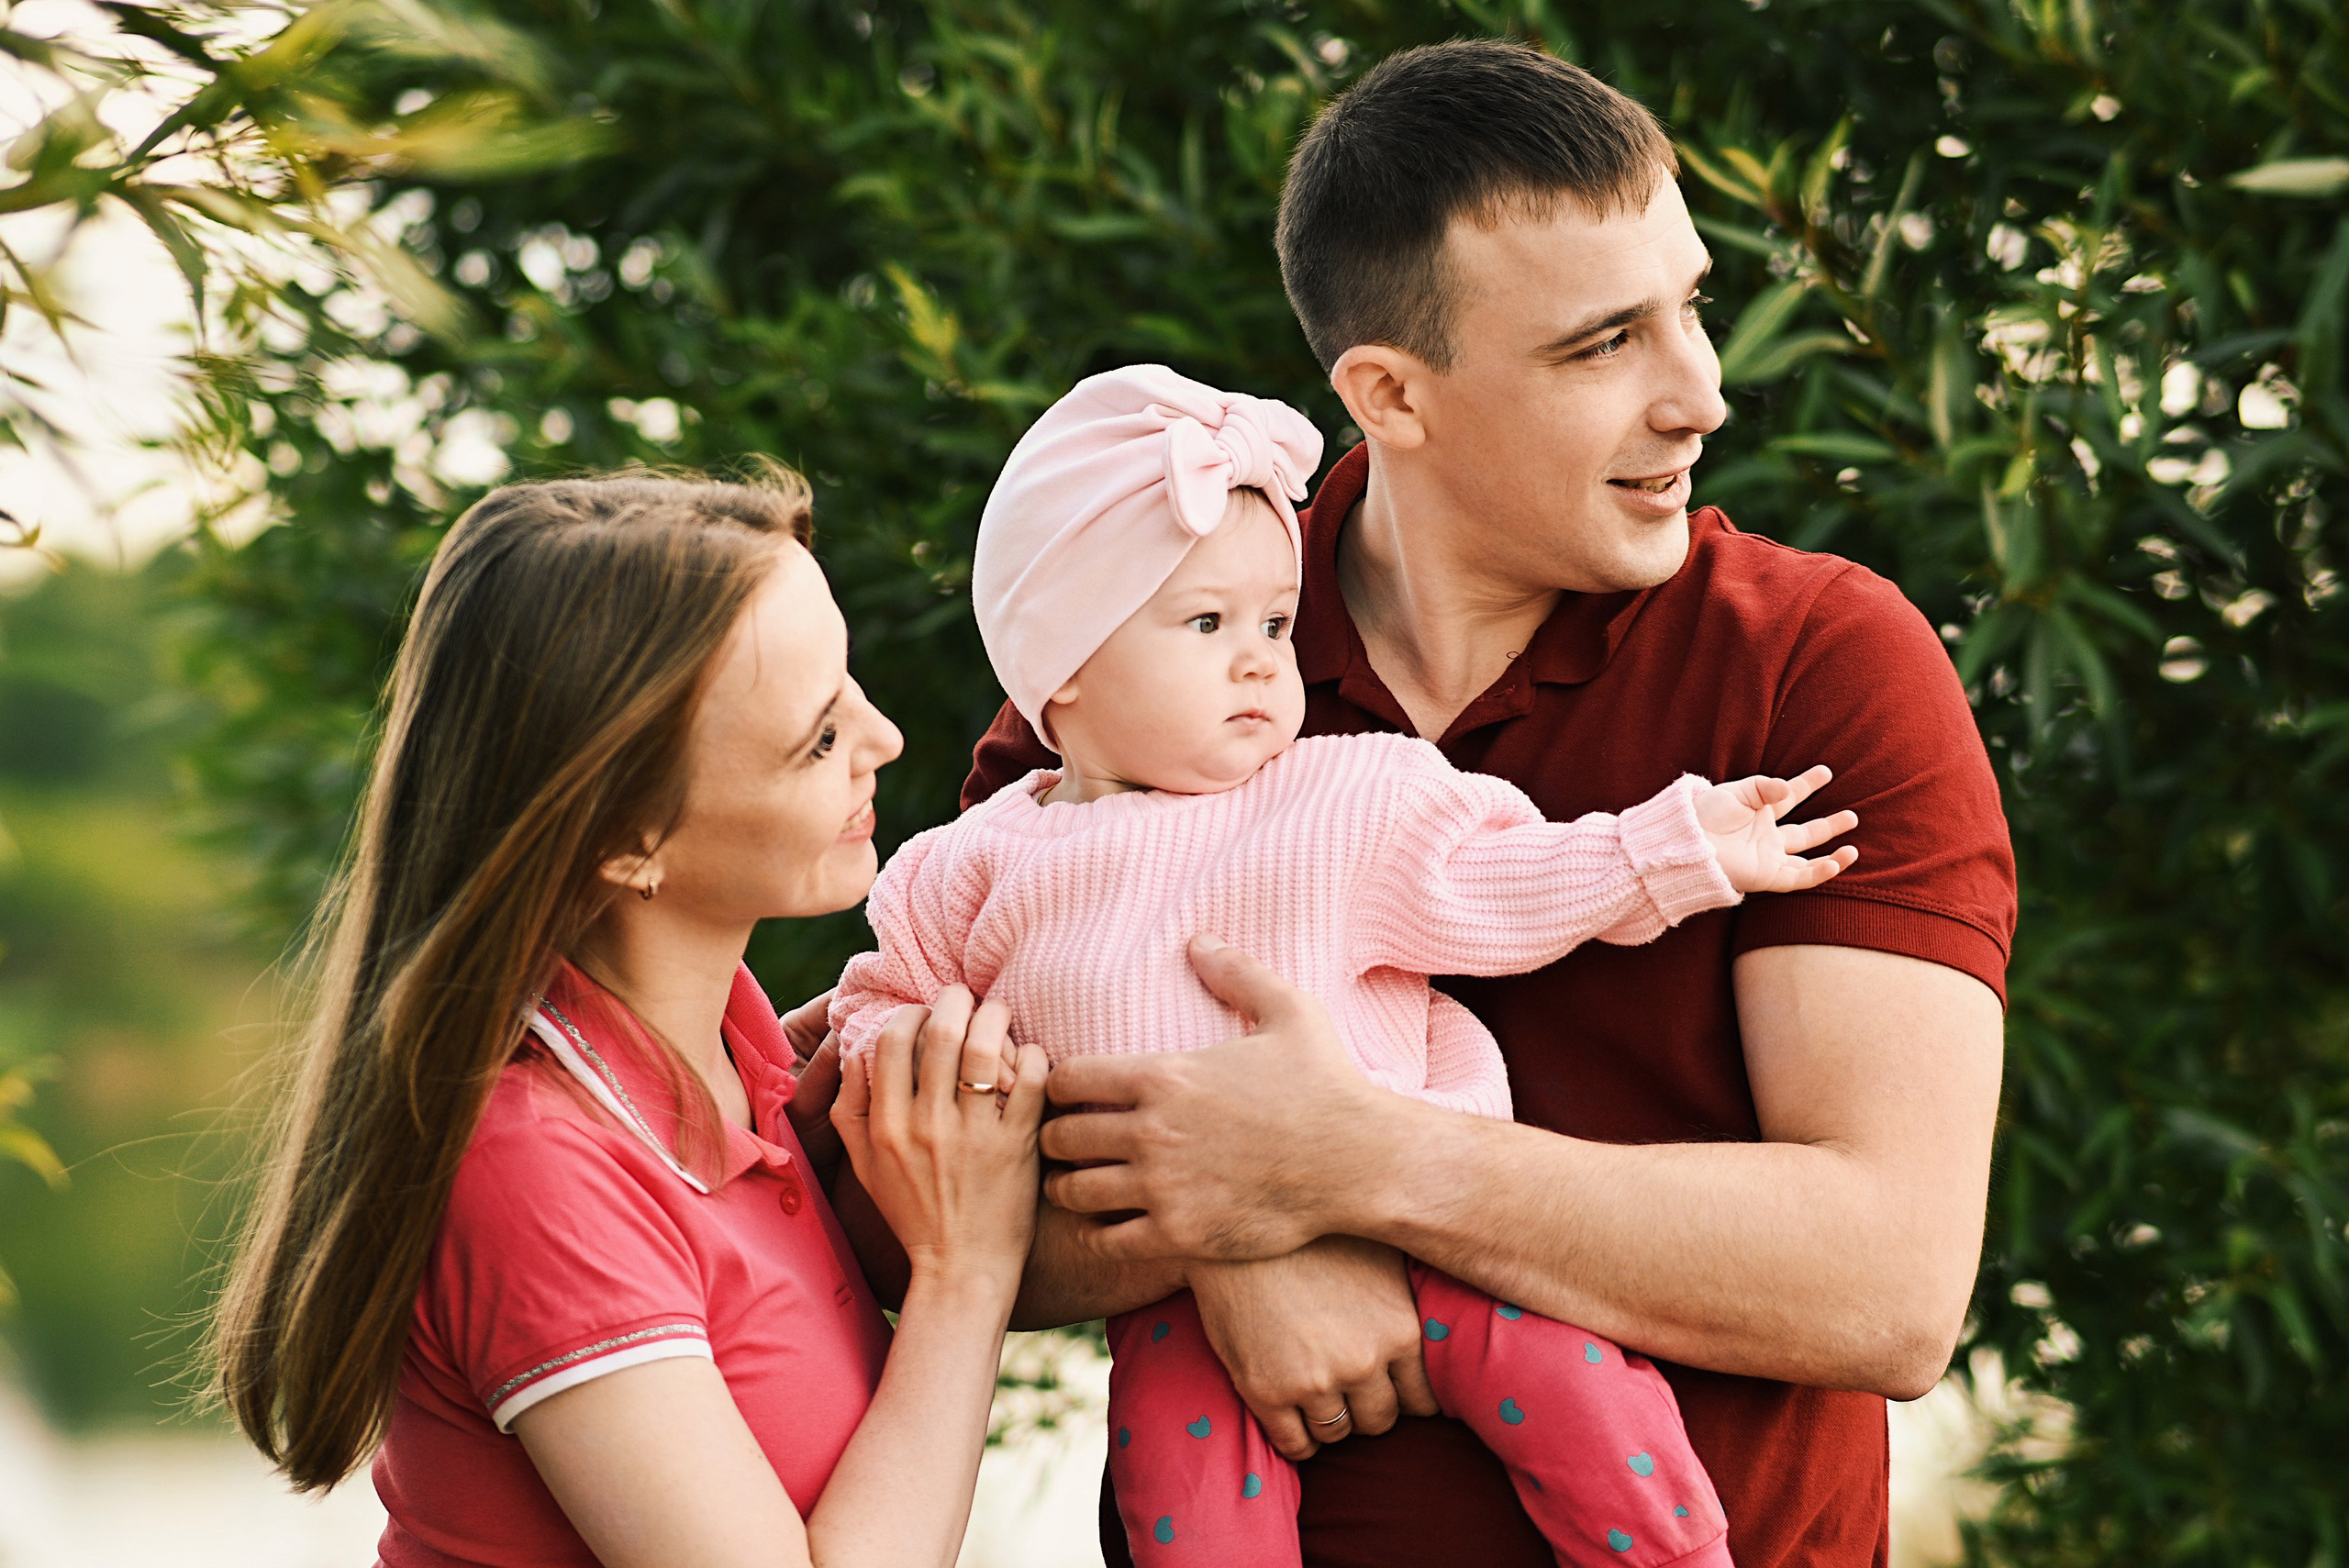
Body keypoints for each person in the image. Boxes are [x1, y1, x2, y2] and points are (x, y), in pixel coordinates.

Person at [957, 41, 2016, 1568]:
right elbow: (905, 1211)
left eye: (1692, 308)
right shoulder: (1144, 655)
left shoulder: (1817, 663)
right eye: (1607, 345)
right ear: (1392, 394)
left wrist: (1349, 1166)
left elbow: (1886, 1282)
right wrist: (1220, 1233)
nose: (1701, 394)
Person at [830, 364, 1864, 1565]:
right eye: (1209, 626)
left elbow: (1509, 884)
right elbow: (890, 1007)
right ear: (1063, 666)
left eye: (1276, 623)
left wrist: (1676, 847)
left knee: (1581, 1390)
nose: (1266, 662)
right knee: (1185, 1499)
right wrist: (866, 1045)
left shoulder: (1337, 799)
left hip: (1429, 1234)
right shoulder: (971, 865)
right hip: (1175, 1303)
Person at [210, 470, 1047, 1568]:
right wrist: (963, 1274)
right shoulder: (536, 1168)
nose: (883, 736)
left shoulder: (743, 1059)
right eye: (817, 739)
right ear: (628, 840)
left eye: (850, 688)